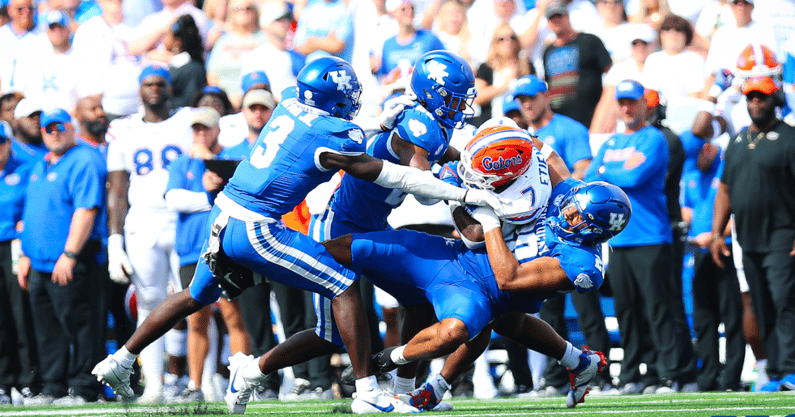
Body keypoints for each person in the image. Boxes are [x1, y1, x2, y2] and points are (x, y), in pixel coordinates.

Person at [92, 56, 502, 414]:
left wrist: (442, 154)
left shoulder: (290, 102)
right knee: (344, 288)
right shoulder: (341, 133)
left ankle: (125, 358)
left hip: (225, 217)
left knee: (201, 297)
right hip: (265, 225)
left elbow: (385, 148)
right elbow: (399, 175)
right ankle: (366, 392)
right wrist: (462, 190)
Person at [325, 128, 631, 410]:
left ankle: (394, 364)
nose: (566, 213)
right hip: (458, 257)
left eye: (577, 217)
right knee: (363, 247)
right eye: (571, 207)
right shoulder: (569, 191)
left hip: (497, 282)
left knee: (489, 319)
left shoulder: (581, 264)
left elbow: (508, 278)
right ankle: (299, 255)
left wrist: (486, 216)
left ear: (594, 232)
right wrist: (503, 151)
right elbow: (535, 148)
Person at [584, 79, 698, 394]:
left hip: (651, 236)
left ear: (644, 105)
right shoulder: (611, 143)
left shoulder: (655, 139)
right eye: (621, 102)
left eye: (632, 102)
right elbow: (592, 177)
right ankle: (633, 374)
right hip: (619, 239)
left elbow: (633, 176)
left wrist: (608, 171)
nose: (626, 107)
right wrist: (610, 171)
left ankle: (671, 373)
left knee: (659, 308)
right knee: (627, 310)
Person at [510, 74, 612, 394]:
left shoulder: (569, 129)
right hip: (539, 226)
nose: (525, 103)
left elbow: (582, 171)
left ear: (546, 96)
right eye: (520, 99)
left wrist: (561, 195)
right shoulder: (521, 133)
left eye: (531, 96)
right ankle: (555, 376)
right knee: (547, 304)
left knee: (586, 303)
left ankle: (602, 374)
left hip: (573, 225)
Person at [103, 64, 194, 403]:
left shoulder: (187, 121)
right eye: (148, 84)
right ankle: (154, 382)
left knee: (196, 301)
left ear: (170, 88)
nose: (154, 89)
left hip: (183, 219)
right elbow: (117, 188)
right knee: (149, 304)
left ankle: (196, 378)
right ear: (139, 90)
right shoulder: (123, 129)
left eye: (160, 83)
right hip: (141, 222)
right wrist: (115, 240)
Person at [16, 108, 107, 405]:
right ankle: (53, 386)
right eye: (47, 128)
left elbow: (86, 209)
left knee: (81, 325)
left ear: (72, 127)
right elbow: (32, 213)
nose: (53, 131)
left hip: (71, 259)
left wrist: (69, 253)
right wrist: (26, 254)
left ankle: (84, 388)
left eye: (59, 126)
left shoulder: (84, 158)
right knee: (47, 330)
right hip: (39, 261)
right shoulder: (41, 163)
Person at [710, 74, 795, 392]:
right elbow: (725, 190)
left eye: (762, 97)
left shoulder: (789, 138)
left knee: (785, 300)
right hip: (747, 237)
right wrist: (717, 233)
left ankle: (791, 368)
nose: (756, 103)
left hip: (783, 235)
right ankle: (775, 372)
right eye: (751, 98)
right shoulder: (738, 140)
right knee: (760, 304)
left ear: (776, 101)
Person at [164, 107, 251, 402]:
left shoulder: (231, 159)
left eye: (206, 128)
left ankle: (240, 384)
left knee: (232, 316)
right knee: (196, 319)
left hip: (225, 248)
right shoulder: (181, 163)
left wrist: (209, 167)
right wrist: (207, 197)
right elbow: (174, 199)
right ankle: (195, 384)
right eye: (196, 128)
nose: (200, 134)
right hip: (192, 251)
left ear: (217, 130)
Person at [681, 139, 744, 392]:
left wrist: (716, 234)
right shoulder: (691, 172)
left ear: (707, 148)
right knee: (704, 317)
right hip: (700, 251)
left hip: (726, 248)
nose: (693, 162)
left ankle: (731, 378)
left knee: (732, 316)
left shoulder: (726, 168)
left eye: (695, 156)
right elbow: (688, 208)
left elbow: (739, 212)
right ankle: (707, 377)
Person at [0, 121, 39, 405]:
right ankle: (4, 380)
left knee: (20, 311)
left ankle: (28, 380)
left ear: (9, 143)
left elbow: (33, 208)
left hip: (15, 245)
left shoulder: (26, 168)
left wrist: (25, 248)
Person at [542, 1, 612, 129]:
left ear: (567, 16)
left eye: (559, 16)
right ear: (548, 22)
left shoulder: (590, 41)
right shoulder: (547, 51)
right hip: (561, 122)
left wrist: (606, 112)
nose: (556, 20)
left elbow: (611, 75)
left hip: (590, 118)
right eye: (552, 17)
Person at [71, 0, 145, 120]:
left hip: (143, 110)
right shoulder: (88, 30)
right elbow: (86, 77)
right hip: (108, 113)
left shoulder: (141, 24)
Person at [206, 0, 266, 108]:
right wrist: (222, 98)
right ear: (231, 13)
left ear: (256, 13)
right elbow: (212, 74)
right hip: (224, 98)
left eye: (248, 8)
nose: (243, 11)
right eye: (238, 8)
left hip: (255, 96)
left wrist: (242, 97)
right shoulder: (222, 41)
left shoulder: (264, 39)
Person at [471, 23, 531, 127]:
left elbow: (535, 94)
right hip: (493, 124)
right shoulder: (486, 67)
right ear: (495, 43)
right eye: (502, 39)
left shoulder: (526, 65)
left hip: (522, 125)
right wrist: (505, 84)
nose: (508, 42)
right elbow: (477, 97)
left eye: (512, 38)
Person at [239, 1, 295, 102]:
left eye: (285, 18)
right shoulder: (257, 56)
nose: (284, 23)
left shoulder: (296, 55)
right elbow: (251, 93)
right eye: (278, 20)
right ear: (265, 25)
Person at [376, 0, 445, 79]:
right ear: (393, 13)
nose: (409, 12)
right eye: (403, 9)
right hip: (396, 91)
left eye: (412, 8)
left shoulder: (429, 38)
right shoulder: (388, 44)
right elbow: (385, 76)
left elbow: (446, 65)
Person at [165, 15, 207, 109]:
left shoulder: (193, 69)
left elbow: (191, 100)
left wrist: (163, 104)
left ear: (177, 42)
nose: (164, 39)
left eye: (166, 35)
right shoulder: (173, 65)